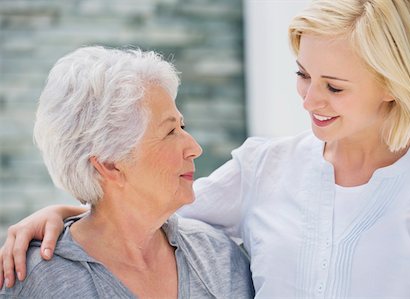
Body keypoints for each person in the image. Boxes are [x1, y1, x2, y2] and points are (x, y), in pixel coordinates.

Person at [1, 0, 410, 298]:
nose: (310, 100)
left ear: (392, 85)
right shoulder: (264, 168)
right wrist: (66, 214)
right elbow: (138, 212)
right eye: (302, 74)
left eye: (333, 86)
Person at [0, 46, 254, 298]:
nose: (194, 148)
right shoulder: (39, 281)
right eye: (170, 132)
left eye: (182, 126)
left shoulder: (219, 258)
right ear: (110, 164)